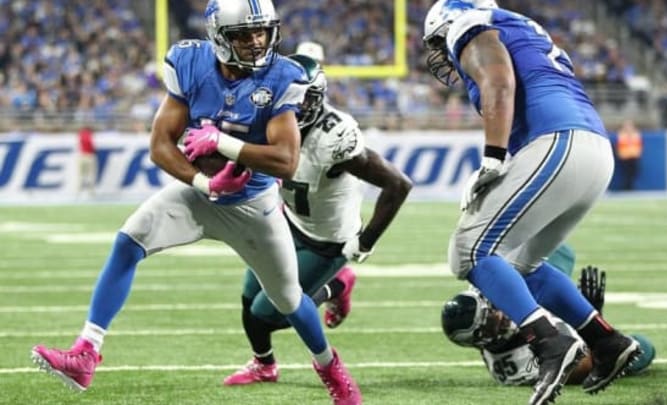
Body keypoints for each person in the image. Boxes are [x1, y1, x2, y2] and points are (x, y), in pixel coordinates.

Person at [30, 1, 361, 404]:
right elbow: (159, 146)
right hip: (201, 194)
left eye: (261, 32)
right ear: (219, 37)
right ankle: (86, 351)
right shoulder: (190, 63)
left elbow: (286, 160)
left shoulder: (282, 76)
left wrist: (222, 143)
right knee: (128, 241)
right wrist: (204, 183)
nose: (256, 42)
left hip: (253, 205)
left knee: (289, 299)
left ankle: (330, 368)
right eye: (244, 34)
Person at [422, 1, 640, 404]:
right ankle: (605, 342)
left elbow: (499, 82)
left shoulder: (469, 24)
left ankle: (550, 343)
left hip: (557, 140)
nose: (441, 51)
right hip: (592, 148)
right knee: (519, 265)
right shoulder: (525, 29)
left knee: (467, 252)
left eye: (437, 40)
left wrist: (492, 156)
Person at [224, 53, 412, 386]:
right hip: (287, 221)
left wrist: (366, 241)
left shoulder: (333, 137)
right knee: (248, 296)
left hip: (328, 240)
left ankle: (338, 284)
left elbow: (398, 184)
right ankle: (264, 365)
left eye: (300, 98)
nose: (293, 105)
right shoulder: (266, 121)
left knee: (271, 312)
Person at [441, 246, 656, 386]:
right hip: (570, 344)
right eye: (492, 323)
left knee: (556, 253)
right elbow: (588, 365)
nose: (500, 313)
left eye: (492, 309)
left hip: (543, 323)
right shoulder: (520, 365)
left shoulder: (485, 301)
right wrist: (593, 324)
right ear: (483, 339)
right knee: (642, 347)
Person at [615, 119, 643, 190]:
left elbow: (639, 146)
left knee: (633, 173)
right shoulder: (621, 135)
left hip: (634, 157)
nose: (628, 128)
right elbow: (620, 146)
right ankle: (625, 187)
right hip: (624, 158)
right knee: (625, 174)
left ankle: (630, 186)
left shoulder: (636, 134)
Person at [76, 125, 97, 197]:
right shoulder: (89, 135)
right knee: (91, 174)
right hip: (89, 155)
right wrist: (94, 151)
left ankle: (78, 191)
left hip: (82, 155)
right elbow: (91, 144)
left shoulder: (80, 135)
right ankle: (91, 192)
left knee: (81, 175)